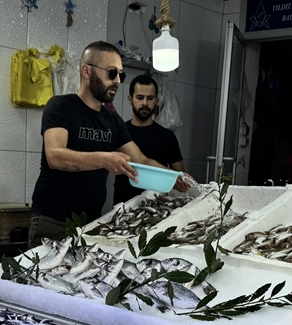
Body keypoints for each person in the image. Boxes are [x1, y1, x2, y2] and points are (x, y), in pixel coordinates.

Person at [29, 41, 190, 247]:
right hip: (52, 221)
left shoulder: (112, 120)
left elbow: (140, 159)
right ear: (86, 71)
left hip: (92, 223)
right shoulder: (61, 106)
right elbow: (55, 156)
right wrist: (104, 159)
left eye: (121, 75)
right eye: (112, 73)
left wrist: (174, 176)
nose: (117, 81)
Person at [113, 75, 184, 204]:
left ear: (156, 100)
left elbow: (179, 176)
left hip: (157, 208)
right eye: (140, 98)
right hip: (122, 207)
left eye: (150, 98)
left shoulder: (167, 137)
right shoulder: (120, 131)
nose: (145, 103)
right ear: (130, 99)